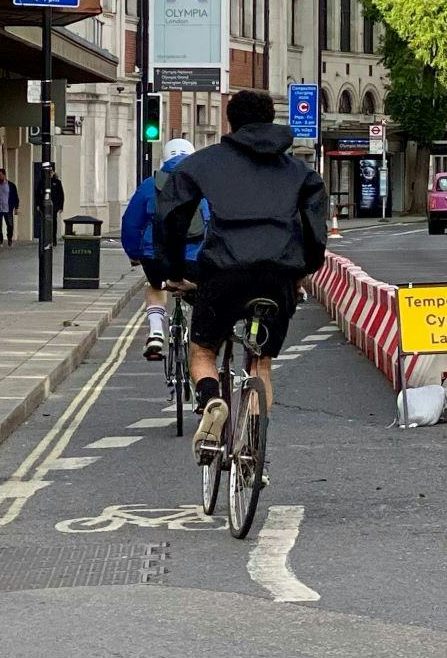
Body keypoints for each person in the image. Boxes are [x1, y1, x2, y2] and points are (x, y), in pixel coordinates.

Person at [153, 91, 329, 465]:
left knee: (202, 350)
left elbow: (171, 214)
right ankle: (252, 447)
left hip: (224, 272)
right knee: (261, 362)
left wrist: (174, 269)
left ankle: (211, 397)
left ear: (229, 122)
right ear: (271, 120)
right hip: (278, 274)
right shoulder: (300, 171)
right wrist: (303, 271)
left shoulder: (204, 164)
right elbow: (316, 229)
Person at [119, 138, 203, 360]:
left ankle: (156, 332)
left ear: (164, 159)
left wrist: (134, 254)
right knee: (205, 291)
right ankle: (208, 336)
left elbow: (130, 223)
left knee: (156, 287)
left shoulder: (150, 184)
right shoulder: (205, 183)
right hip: (194, 255)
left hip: (155, 255)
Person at [0, 169, 19, 246]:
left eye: (0, 175)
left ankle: (9, 239)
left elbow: (15, 196)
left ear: (4, 175)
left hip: (8, 208)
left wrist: (16, 207)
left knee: (10, 225)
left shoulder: (11, 186)